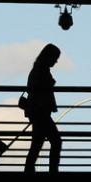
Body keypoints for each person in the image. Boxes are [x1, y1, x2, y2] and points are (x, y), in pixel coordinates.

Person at [24, 43, 62, 173]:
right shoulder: (42, 70)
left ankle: (29, 170)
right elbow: (42, 90)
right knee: (55, 141)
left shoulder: (37, 69)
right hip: (41, 112)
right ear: (49, 56)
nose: (56, 61)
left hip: (37, 112)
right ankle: (53, 170)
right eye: (55, 58)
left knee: (37, 144)